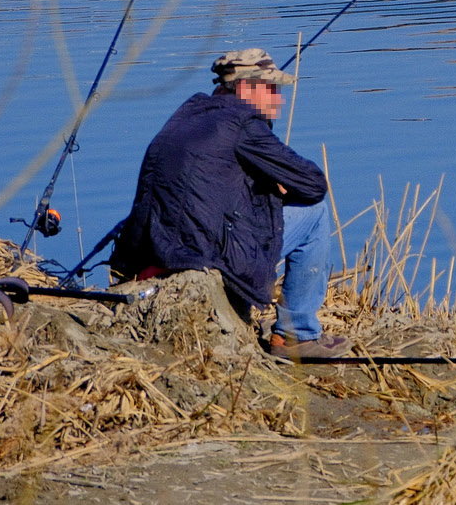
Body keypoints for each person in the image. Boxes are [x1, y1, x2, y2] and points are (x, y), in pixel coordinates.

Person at [109, 47, 348, 359]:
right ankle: (296, 337)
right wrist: (278, 191)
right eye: (272, 89)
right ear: (247, 88)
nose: (280, 99)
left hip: (153, 251)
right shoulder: (244, 124)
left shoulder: (186, 115)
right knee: (315, 214)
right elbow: (315, 185)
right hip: (204, 254)